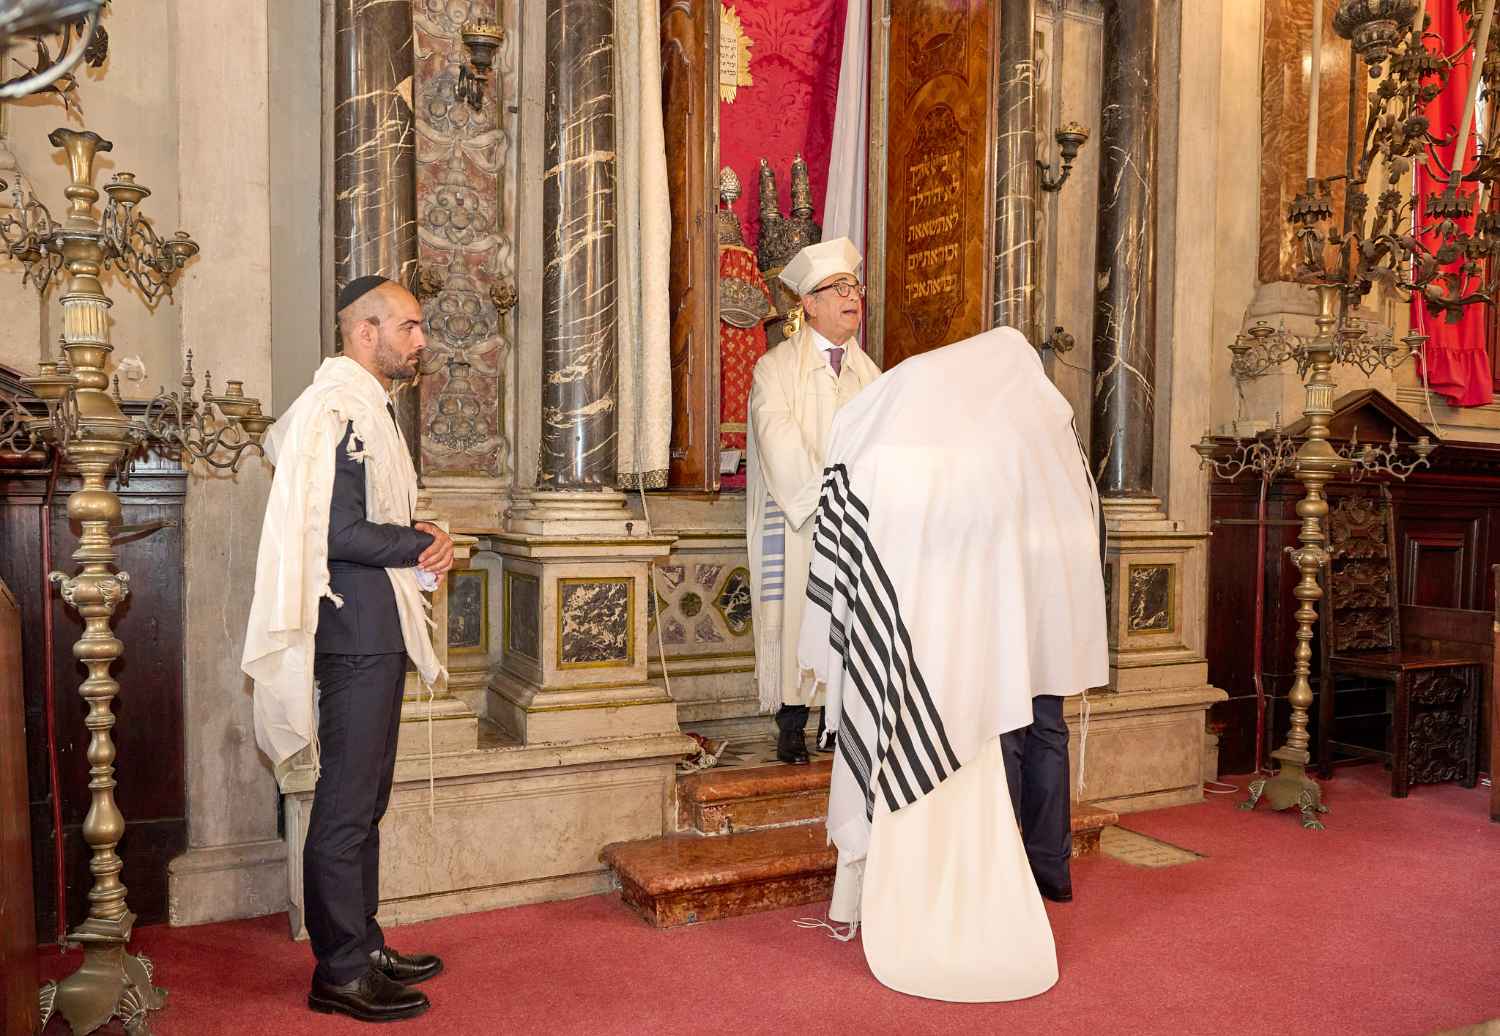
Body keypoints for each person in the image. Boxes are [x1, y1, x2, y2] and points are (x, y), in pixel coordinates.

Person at [798, 325, 1107, 1002]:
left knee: (1004, 740)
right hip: (1041, 618)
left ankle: (1012, 872)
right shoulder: (1044, 430)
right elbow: (1086, 523)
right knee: (1043, 733)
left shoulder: (947, 446)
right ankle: (1048, 872)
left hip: (978, 633)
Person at [243, 276, 454, 1023]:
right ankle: (338, 970)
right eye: (409, 326)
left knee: (366, 802)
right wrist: (420, 541)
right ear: (365, 332)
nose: (420, 340)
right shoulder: (335, 410)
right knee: (344, 806)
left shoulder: (367, 407)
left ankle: (363, 945)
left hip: (375, 628)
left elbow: (361, 519)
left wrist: (419, 536)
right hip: (354, 632)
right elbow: (336, 533)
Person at [746, 237, 881, 765]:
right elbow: (776, 438)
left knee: (849, 616)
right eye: (839, 288)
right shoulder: (776, 368)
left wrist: (863, 501)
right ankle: (792, 722)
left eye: (855, 287)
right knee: (799, 611)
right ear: (810, 303)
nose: (853, 297)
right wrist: (826, 498)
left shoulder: (872, 375)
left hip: (856, 521)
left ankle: (837, 721)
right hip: (800, 519)